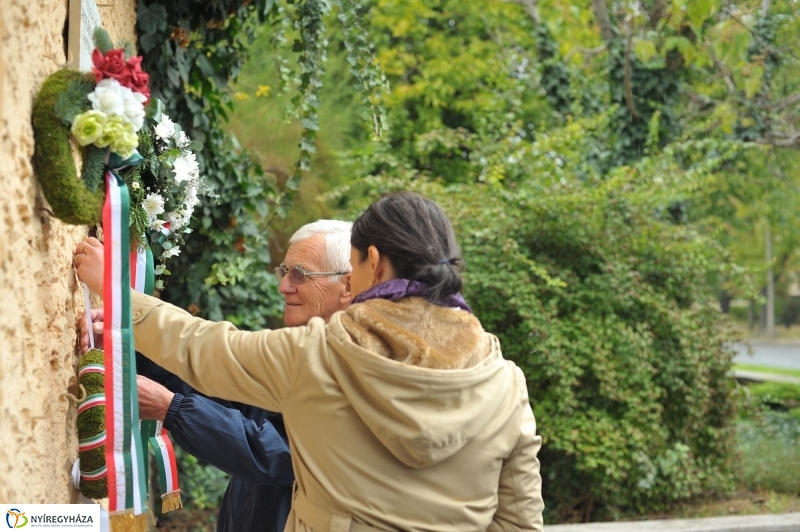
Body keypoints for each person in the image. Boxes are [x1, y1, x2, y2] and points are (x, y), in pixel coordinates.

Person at [75, 192, 544, 531]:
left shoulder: (321, 354)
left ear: (374, 265)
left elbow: (205, 349)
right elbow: (520, 521)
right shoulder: (507, 383)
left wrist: (118, 295)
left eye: (355, 269)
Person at [79, 220, 353, 532]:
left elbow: (278, 453)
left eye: (300, 274)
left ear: (347, 286)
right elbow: (220, 387)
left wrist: (170, 407)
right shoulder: (303, 351)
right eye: (284, 271)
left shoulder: (348, 368)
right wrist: (130, 347)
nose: (284, 285)